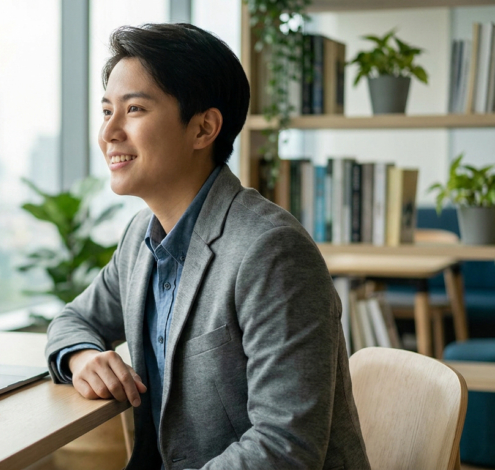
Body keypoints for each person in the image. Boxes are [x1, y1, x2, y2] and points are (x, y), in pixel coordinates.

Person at [45, 23, 370, 469]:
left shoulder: (271, 250)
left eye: (134, 109)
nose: (109, 133)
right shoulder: (143, 236)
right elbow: (73, 319)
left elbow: (285, 448)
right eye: (107, 111)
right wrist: (82, 356)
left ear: (204, 128)